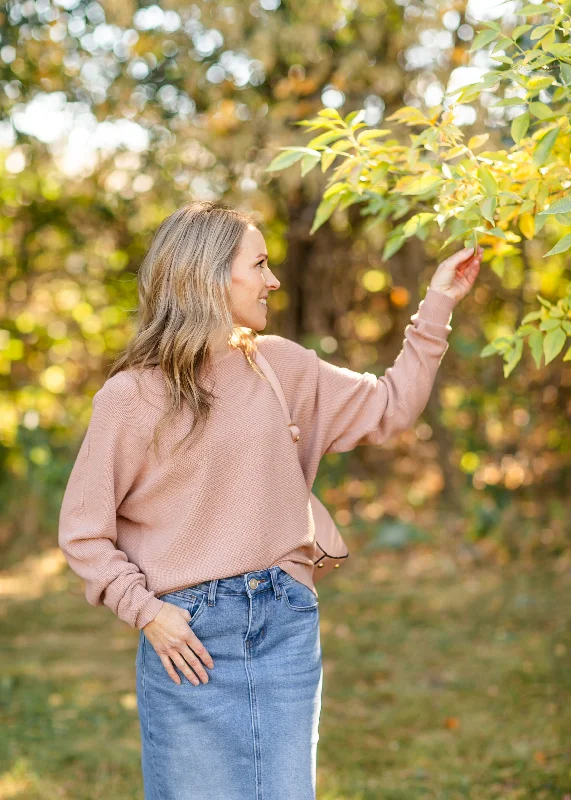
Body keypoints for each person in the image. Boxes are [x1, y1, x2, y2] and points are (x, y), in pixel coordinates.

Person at [58, 200, 482, 800]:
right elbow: (83, 531)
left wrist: (438, 303)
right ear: (209, 276)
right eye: (259, 264)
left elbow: (390, 407)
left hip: (285, 626)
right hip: (190, 642)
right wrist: (148, 612)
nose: (273, 280)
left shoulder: (279, 365)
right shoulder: (131, 397)